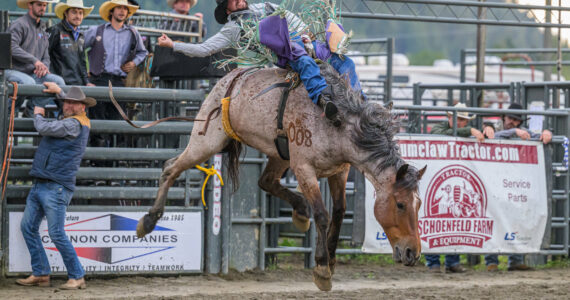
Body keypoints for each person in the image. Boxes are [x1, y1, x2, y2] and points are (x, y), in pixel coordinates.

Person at [156, 0, 364, 127]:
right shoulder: (233, 28)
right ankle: (324, 101)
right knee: (306, 64)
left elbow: (288, 16)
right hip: (288, 53)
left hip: (306, 43)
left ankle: (359, 101)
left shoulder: (265, 6)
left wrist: (303, 32)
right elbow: (204, 49)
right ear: (226, 9)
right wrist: (174, 45)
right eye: (232, 0)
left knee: (345, 61)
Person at [16, 82, 96, 290]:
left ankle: (77, 276)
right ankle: (41, 273)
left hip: (55, 186)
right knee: (28, 227)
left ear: (82, 107)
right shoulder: (76, 120)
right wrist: (58, 92)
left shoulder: (74, 124)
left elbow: (42, 127)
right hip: (46, 183)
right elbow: (67, 108)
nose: (68, 105)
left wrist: (39, 113)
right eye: (66, 101)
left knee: (56, 233)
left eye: (73, 103)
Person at [482, 102, 551, 272]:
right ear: (504, 116)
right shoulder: (494, 127)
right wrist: (514, 132)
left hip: (513, 181)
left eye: (516, 120)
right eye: (510, 118)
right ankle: (492, 260)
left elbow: (537, 137)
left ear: (520, 122)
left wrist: (548, 132)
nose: (512, 122)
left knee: (517, 218)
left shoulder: (523, 131)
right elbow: (492, 135)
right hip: (494, 180)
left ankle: (516, 259)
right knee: (494, 217)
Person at [426, 102, 489, 273]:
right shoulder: (441, 128)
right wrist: (468, 131)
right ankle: (434, 262)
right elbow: (437, 133)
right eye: (458, 119)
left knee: (455, 223)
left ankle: (451, 261)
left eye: (463, 120)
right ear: (449, 117)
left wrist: (484, 130)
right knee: (435, 219)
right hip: (439, 178)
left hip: (454, 180)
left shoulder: (463, 131)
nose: (461, 122)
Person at [84, 0, 148, 149]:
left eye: (125, 9)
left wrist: (134, 63)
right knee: (97, 122)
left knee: (118, 122)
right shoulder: (96, 30)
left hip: (120, 81)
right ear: (111, 11)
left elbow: (143, 52)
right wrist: (85, 76)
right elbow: (79, 49)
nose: (122, 11)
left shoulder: (133, 32)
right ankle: (98, 162)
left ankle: (114, 160)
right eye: (119, 8)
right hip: (98, 80)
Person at [7, 0, 66, 113]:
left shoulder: (42, 28)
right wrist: (35, 61)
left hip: (32, 74)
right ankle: (8, 113)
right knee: (28, 83)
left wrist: (44, 68)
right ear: (30, 5)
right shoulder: (19, 24)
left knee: (59, 82)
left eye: (45, 5)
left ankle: (31, 110)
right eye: (39, 5)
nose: (43, 8)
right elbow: (11, 47)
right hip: (12, 70)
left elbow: (46, 55)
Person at [47, 0, 95, 87]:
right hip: (59, 84)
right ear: (66, 13)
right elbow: (44, 55)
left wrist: (86, 82)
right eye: (74, 12)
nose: (78, 16)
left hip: (77, 84)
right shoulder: (55, 30)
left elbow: (82, 62)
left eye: (80, 13)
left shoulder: (81, 36)